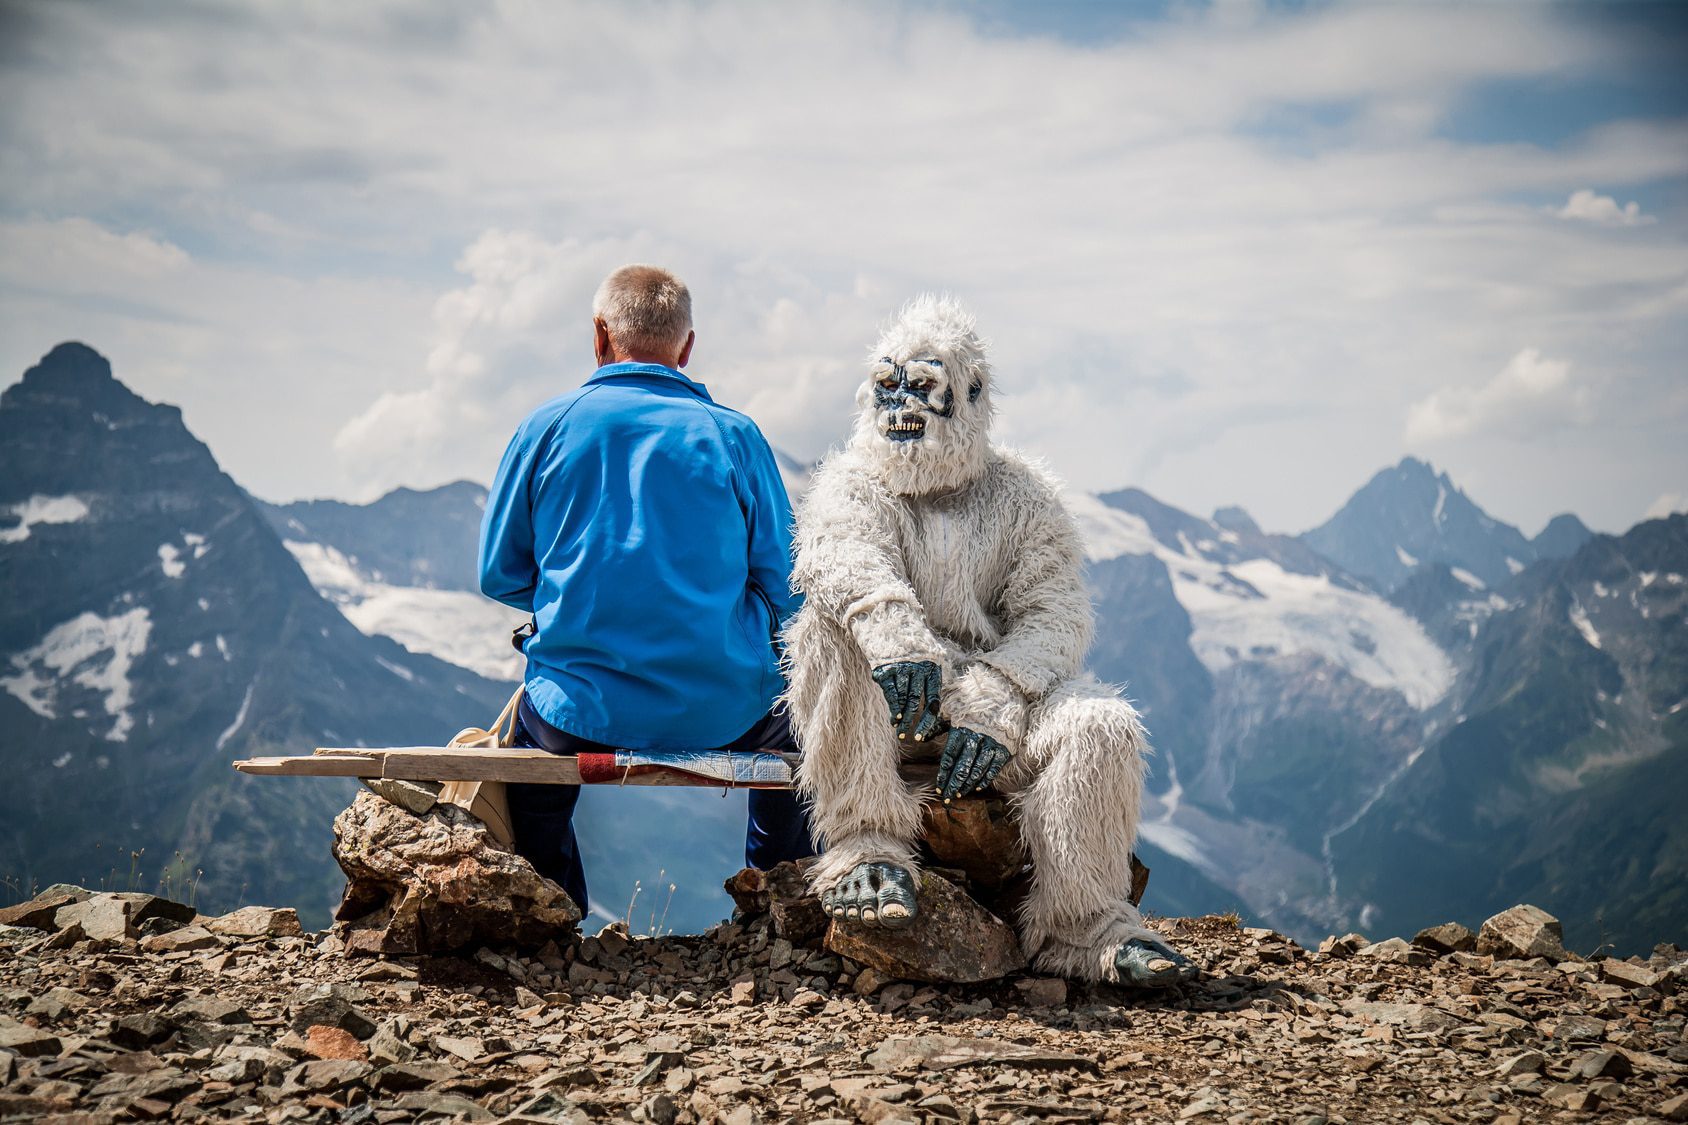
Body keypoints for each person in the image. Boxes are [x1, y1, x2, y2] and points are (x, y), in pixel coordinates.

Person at [782, 295, 1196, 986]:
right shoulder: (852, 481)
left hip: (991, 724)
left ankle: (1083, 923)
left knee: (1104, 723)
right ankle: (867, 843)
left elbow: (1057, 616)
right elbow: (837, 554)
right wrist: (893, 632)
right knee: (825, 627)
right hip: (882, 719)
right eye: (888, 385)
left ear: (971, 394)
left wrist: (998, 693)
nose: (900, 405)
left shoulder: (1024, 496)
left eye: (924, 387)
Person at [478, 264, 814, 915]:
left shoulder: (545, 428)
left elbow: (499, 573)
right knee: (798, 736)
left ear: (600, 335)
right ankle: (771, 899)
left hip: (577, 707)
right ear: (686, 349)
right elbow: (786, 589)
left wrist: (577, 601)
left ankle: (554, 910)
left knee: (531, 767)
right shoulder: (735, 436)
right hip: (726, 704)